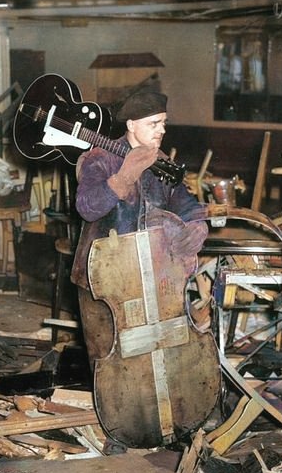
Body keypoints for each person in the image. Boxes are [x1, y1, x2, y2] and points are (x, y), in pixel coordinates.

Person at [70, 90, 208, 368]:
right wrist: (123, 178)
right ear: (131, 124)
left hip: (150, 278)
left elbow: (187, 204)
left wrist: (197, 224)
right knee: (110, 363)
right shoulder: (99, 158)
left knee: (150, 363)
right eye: (153, 123)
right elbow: (87, 207)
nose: (162, 130)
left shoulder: (162, 163)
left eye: (164, 123)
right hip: (102, 282)